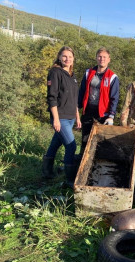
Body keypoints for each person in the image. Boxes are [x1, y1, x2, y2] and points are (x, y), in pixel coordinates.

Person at [42, 46, 81, 187]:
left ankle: (47, 172)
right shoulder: (55, 72)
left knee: (55, 143)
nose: (67, 59)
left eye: (70, 57)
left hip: (71, 117)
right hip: (61, 117)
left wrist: (77, 116)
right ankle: (70, 180)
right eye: (64, 56)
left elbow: (74, 98)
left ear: (73, 59)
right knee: (71, 146)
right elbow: (51, 97)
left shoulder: (72, 75)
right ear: (59, 57)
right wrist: (56, 119)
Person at [78, 47, 119, 154]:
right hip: (88, 111)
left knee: (99, 142)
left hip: (102, 114)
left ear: (109, 59)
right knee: (85, 139)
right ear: (96, 58)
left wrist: (111, 116)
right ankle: (80, 166)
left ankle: (94, 166)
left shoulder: (112, 77)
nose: (102, 59)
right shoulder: (88, 73)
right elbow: (82, 91)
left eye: (104, 57)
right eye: (100, 56)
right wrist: (77, 108)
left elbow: (114, 98)